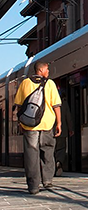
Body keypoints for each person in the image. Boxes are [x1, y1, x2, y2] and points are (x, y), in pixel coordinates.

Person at [14, 61, 62, 195]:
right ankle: (47, 181)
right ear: (40, 70)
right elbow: (56, 105)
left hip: (29, 125)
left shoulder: (25, 83)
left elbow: (19, 105)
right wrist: (59, 123)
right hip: (46, 124)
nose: (48, 71)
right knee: (48, 151)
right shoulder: (50, 83)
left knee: (31, 154)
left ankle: (33, 186)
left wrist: (21, 123)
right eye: (47, 69)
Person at [54, 92, 74, 176]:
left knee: (52, 149)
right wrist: (70, 129)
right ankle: (59, 162)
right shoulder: (64, 104)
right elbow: (68, 117)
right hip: (63, 131)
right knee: (61, 148)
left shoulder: (50, 103)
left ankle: (52, 165)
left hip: (51, 131)